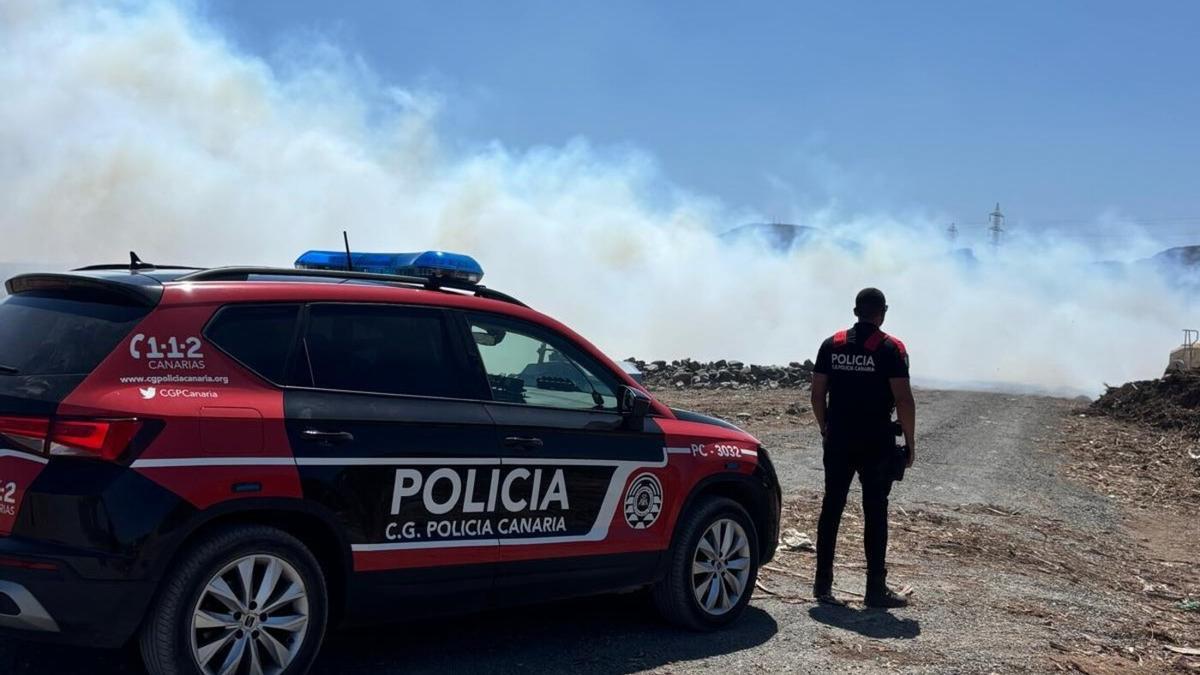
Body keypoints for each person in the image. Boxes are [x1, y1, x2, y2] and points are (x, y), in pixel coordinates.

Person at [809, 287, 916, 608]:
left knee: (832, 507)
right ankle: (875, 589)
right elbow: (903, 399)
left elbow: (817, 394)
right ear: (882, 313)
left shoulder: (832, 344)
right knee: (875, 510)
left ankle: (822, 585)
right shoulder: (891, 348)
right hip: (876, 441)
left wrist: (825, 427)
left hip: (838, 439)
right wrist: (911, 442)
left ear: (856, 312)